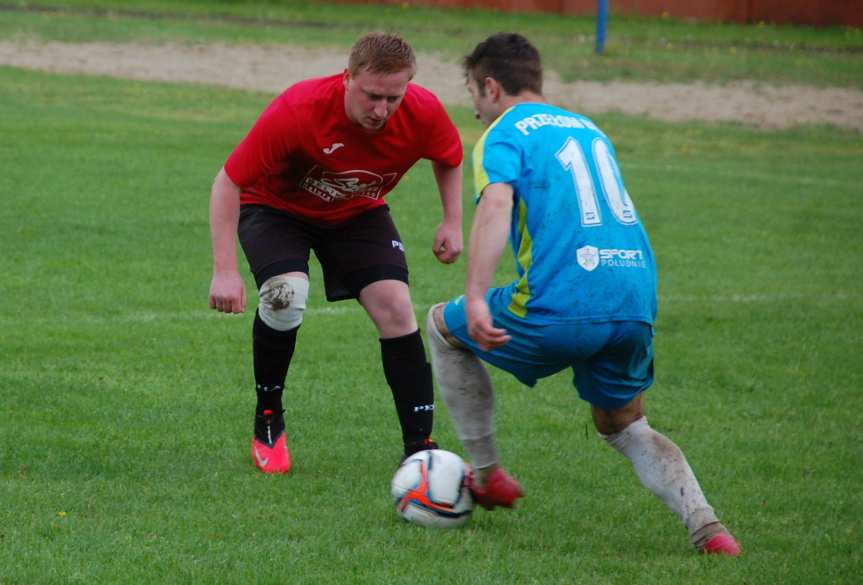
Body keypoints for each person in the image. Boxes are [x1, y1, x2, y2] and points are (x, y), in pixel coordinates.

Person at [425, 33, 740, 556]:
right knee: (622, 421)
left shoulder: (503, 133)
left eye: (475, 97)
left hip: (563, 302)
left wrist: (476, 295)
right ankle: (707, 526)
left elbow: (496, 205)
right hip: (635, 298)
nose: (477, 111)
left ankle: (487, 475)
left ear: (490, 86)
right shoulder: (589, 128)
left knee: (442, 327)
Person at [208, 32, 463, 474]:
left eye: (393, 98)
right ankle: (269, 414)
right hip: (275, 208)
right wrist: (225, 270)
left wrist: (452, 221)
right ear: (348, 78)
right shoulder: (299, 109)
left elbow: (449, 156)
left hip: (357, 212)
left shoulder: (423, 111)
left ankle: (420, 448)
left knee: (397, 308)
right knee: (286, 294)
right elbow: (228, 181)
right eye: (372, 96)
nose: (382, 110)